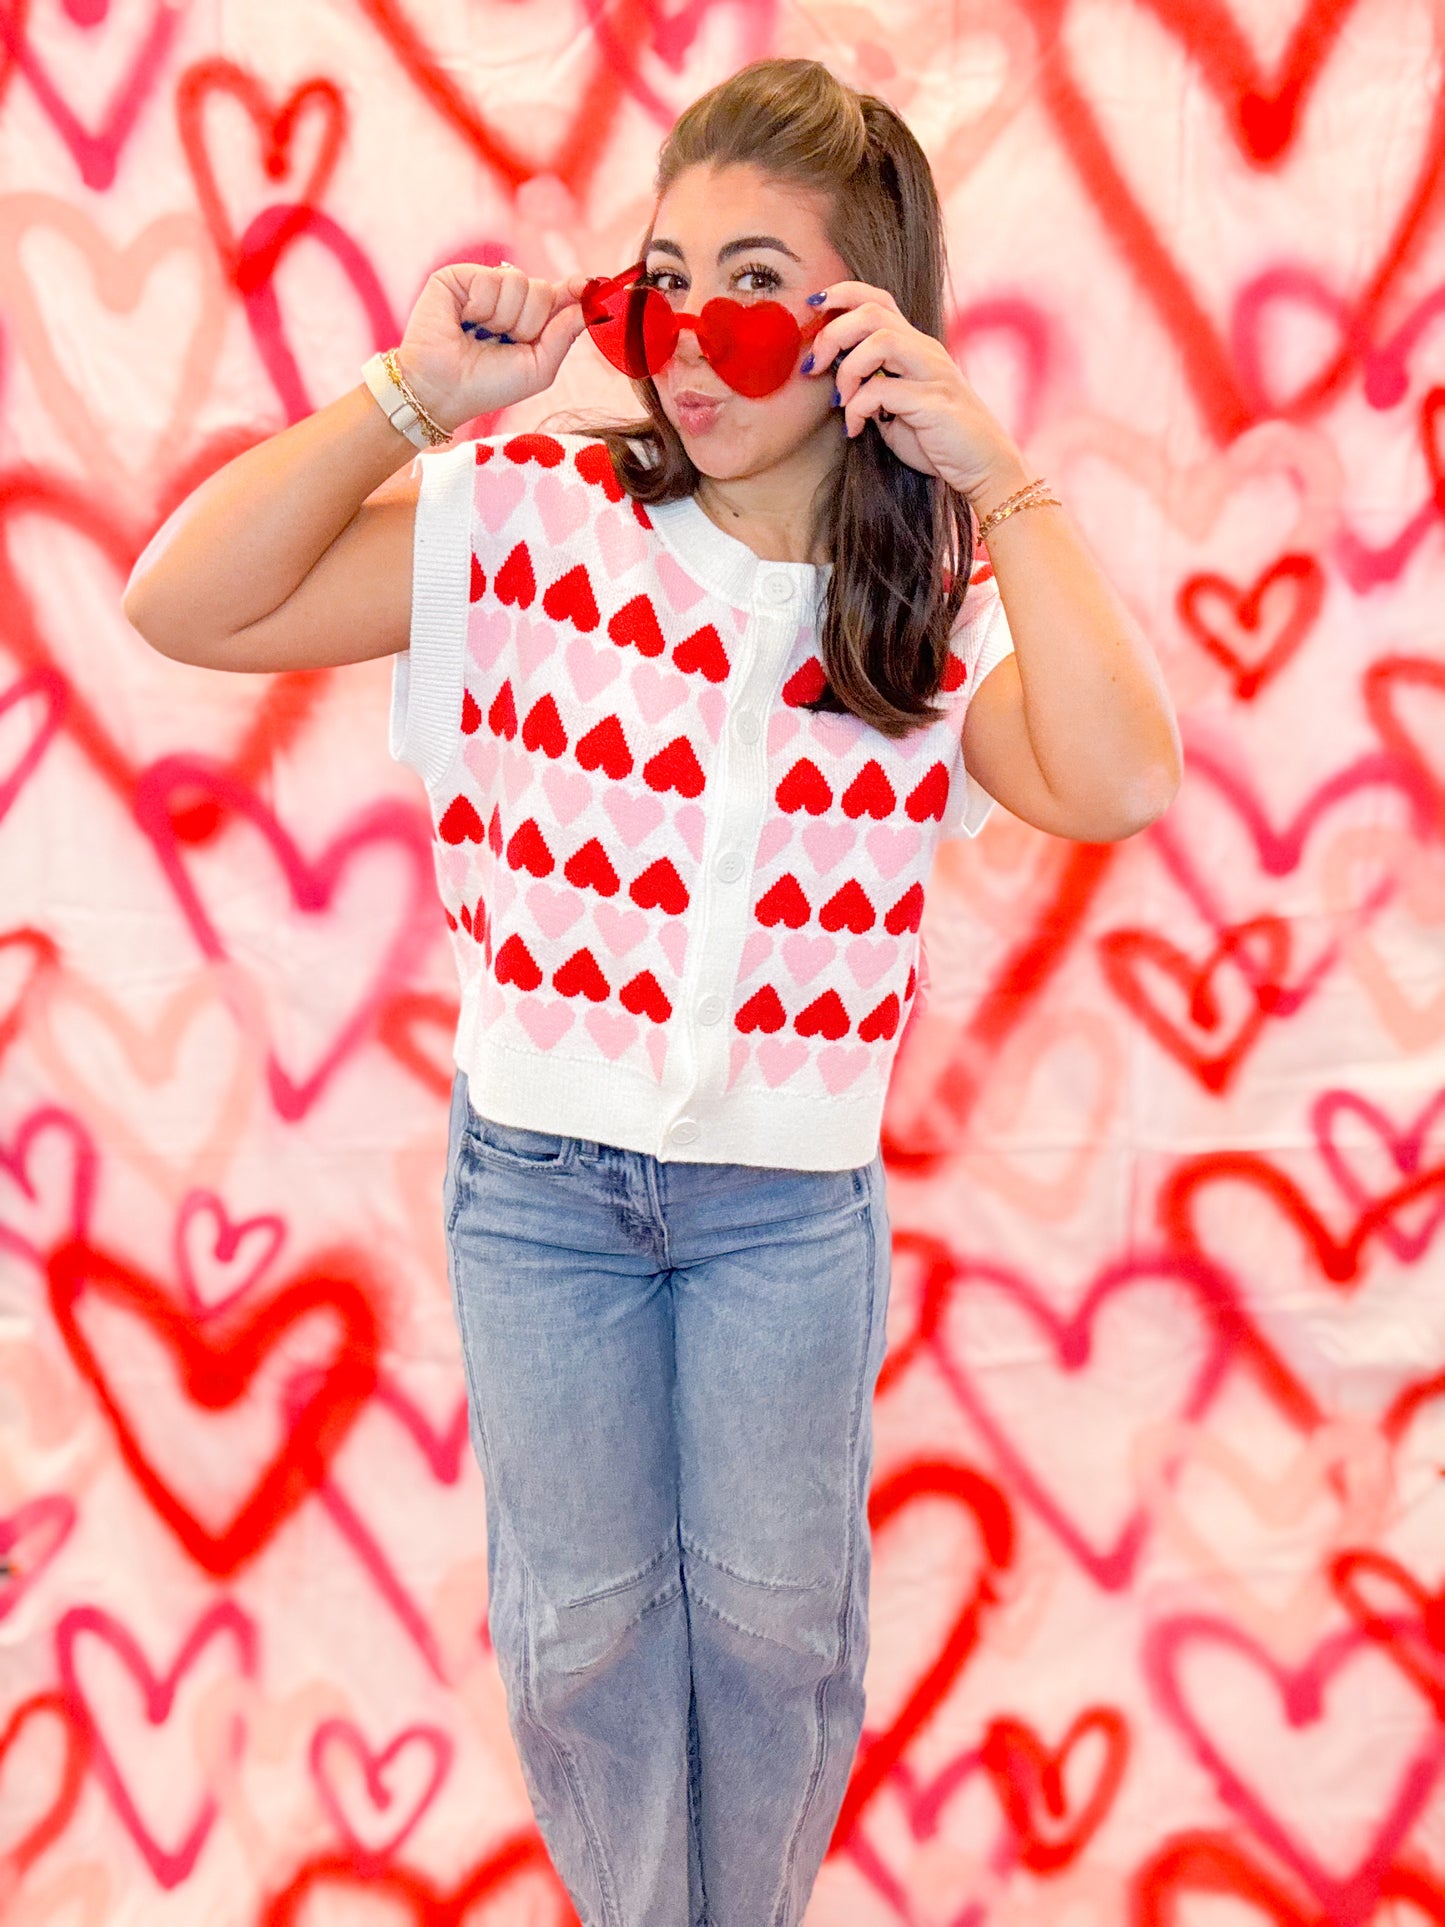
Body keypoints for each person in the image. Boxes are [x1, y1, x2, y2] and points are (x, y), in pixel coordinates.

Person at [123, 55, 1181, 1927]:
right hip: (542, 1194)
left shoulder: (922, 602)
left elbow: (1112, 780)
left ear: (867, 327)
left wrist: (991, 474)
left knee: (777, 1634)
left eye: (760, 287)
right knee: (588, 1641)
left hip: (787, 1211)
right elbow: (182, 604)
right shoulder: (531, 515)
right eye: (663, 278)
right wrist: (402, 400)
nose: (693, 338)